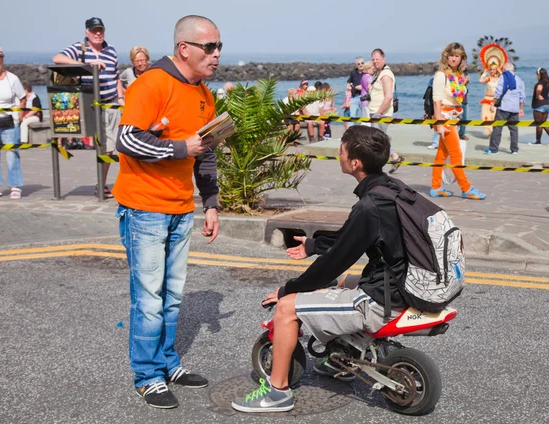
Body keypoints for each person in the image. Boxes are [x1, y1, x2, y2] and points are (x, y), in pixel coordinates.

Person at [231, 125, 407, 413]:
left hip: (384, 297)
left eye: (341, 151)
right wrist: (314, 245)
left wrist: (288, 289)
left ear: (355, 163)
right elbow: (355, 236)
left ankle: (277, 393)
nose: (338, 155)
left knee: (288, 308)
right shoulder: (392, 189)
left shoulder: (369, 205)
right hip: (403, 283)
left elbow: (334, 262)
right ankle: (343, 357)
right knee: (340, 284)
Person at [112, 15, 222, 409]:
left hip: (181, 208)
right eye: (209, 47)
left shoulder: (205, 96)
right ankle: (147, 376)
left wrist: (210, 204)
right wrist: (179, 148)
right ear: (184, 49)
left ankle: (166, 363)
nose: (217, 54)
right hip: (144, 208)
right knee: (149, 299)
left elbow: (204, 154)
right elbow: (125, 139)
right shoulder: (151, 84)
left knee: (172, 296)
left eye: (219, 47)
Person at [53, 17, 124, 199]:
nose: (98, 33)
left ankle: (101, 184)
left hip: (111, 103)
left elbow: (116, 77)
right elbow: (58, 58)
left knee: (110, 146)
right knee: (96, 144)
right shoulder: (79, 48)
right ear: (87, 33)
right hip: (90, 105)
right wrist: (86, 66)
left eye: (100, 30)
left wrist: (121, 98)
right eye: (94, 30)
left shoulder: (111, 51)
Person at [431, 42, 486, 200]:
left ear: (461, 58)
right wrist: (440, 125)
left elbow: (457, 96)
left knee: (441, 155)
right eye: (451, 55)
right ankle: (466, 187)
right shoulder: (441, 75)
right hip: (444, 119)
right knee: (456, 155)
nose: (454, 58)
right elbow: (437, 101)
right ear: (446, 56)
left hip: (454, 118)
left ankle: (435, 187)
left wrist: (465, 83)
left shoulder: (457, 75)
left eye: (457, 55)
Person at [0, 47, 26, 199]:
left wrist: (20, 115)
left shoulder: (12, 78)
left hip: (9, 121)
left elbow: (22, 98)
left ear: (3, 59)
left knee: (12, 154)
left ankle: (15, 186)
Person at [368, 48, 403, 173]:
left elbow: (388, 96)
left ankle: (382, 162)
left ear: (383, 59)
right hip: (375, 112)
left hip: (381, 114)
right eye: (373, 59)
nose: (375, 61)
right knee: (380, 139)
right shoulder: (378, 73)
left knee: (379, 140)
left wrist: (379, 113)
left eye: (377, 59)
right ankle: (394, 157)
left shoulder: (386, 74)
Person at [485, 62, 526, 155]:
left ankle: (493, 149)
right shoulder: (519, 80)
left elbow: (498, 92)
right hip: (514, 108)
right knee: (514, 130)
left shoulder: (503, 77)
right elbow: (522, 96)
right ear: (513, 69)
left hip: (503, 107)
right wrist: (521, 109)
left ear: (504, 70)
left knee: (497, 128)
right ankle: (514, 150)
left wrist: (493, 104)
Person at [528, 68, 549, 146]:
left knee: (538, 123)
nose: (536, 76)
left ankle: (538, 141)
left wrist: (538, 96)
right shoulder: (547, 82)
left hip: (540, 105)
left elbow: (539, 89)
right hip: (547, 104)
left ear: (540, 74)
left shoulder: (540, 83)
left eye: (537, 74)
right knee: (543, 123)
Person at [478, 63, 501, 137]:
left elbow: (505, 77)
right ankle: (489, 133)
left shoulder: (499, 79)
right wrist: (484, 73)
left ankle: (493, 132)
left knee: (494, 117)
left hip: (495, 100)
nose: (492, 71)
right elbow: (480, 81)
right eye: (491, 69)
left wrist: (499, 71)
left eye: (494, 69)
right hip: (487, 99)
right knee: (486, 116)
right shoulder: (488, 78)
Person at [458, 70, 470, 141]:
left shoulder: (465, 72)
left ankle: (461, 134)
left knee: (464, 118)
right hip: (458, 101)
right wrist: (465, 82)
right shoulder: (455, 75)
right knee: (457, 118)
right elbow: (458, 92)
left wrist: (466, 82)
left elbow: (464, 90)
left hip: (464, 100)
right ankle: (458, 134)